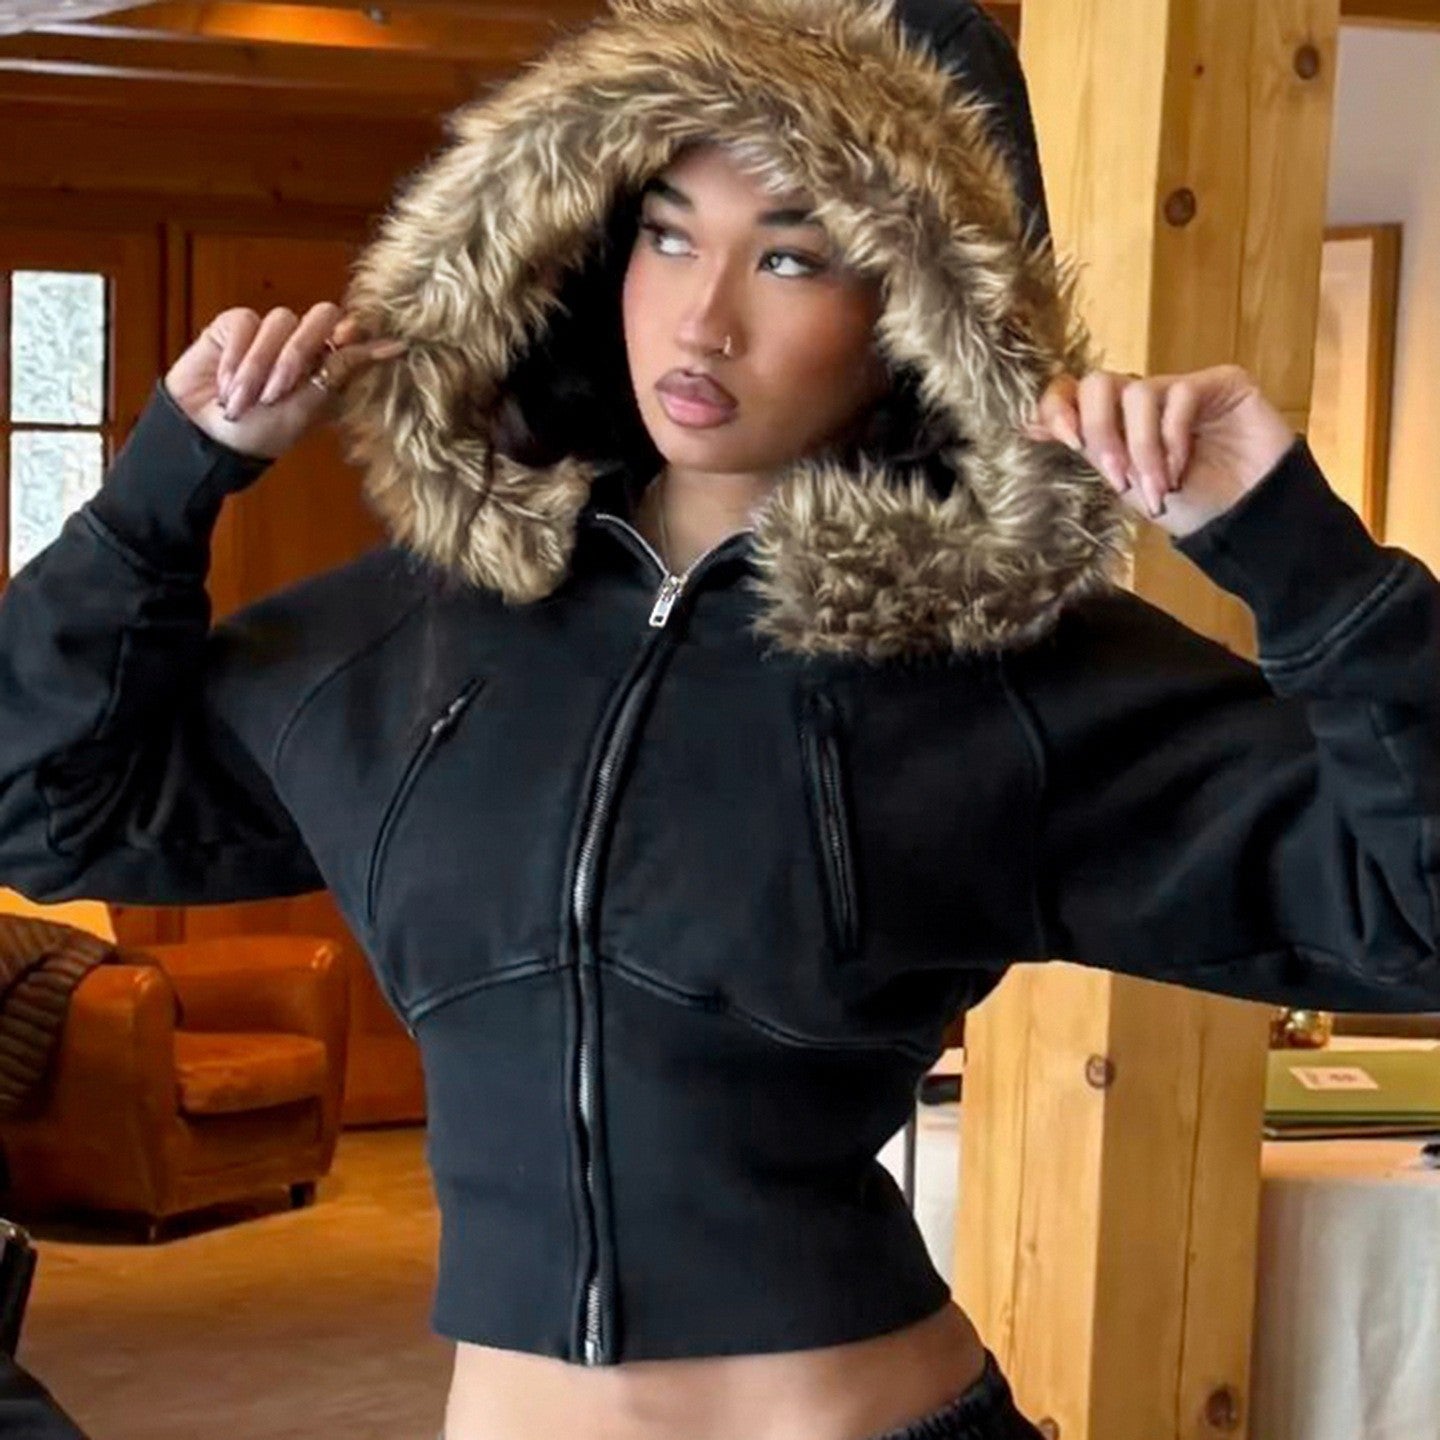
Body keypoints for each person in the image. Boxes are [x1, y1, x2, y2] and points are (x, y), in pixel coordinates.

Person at [1, 1, 1437, 1438]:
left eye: (793, 256)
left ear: (917, 306)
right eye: (670, 235)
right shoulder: (413, 631)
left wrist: (1295, 550)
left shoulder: (1009, 668)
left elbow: (1413, 909)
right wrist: (164, 488)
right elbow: (42, 805)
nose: (704, 319)